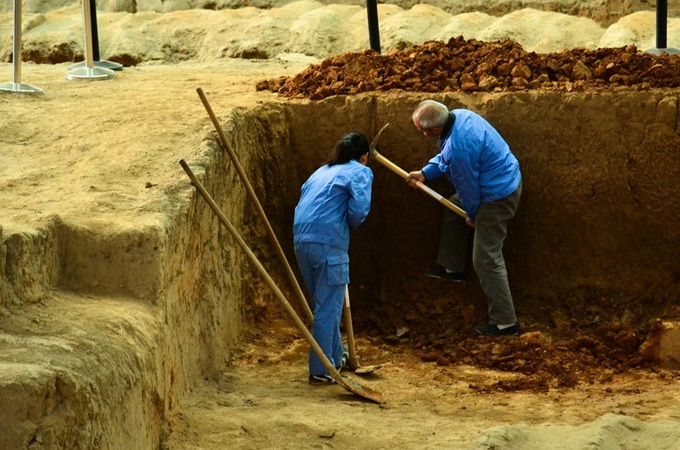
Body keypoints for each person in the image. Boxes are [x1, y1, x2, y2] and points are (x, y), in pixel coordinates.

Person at [406, 100, 522, 337]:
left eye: (423, 131)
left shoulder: (459, 148)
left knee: (486, 259)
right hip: (494, 179)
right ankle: (452, 268)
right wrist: (426, 173)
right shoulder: (458, 116)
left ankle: (505, 323)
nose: (423, 135)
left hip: (496, 195)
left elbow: (467, 186)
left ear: (435, 130)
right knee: (451, 206)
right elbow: (446, 157)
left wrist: (474, 215)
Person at [293, 131, 374, 384]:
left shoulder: (320, 171)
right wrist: (345, 225)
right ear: (363, 156)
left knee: (326, 306)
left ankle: (335, 357)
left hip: (301, 241)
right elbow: (359, 210)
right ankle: (321, 369)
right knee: (328, 308)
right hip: (329, 243)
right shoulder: (360, 171)